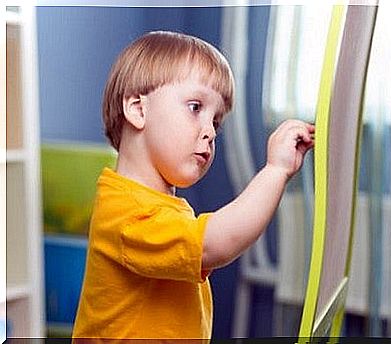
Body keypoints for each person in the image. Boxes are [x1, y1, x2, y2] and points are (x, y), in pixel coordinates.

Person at [72, 30, 314, 339]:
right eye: (195, 107)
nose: (210, 132)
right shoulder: (126, 215)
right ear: (137, 109)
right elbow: (215, 243)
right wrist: (276, 170)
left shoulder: (156, 207)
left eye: (216, 122)